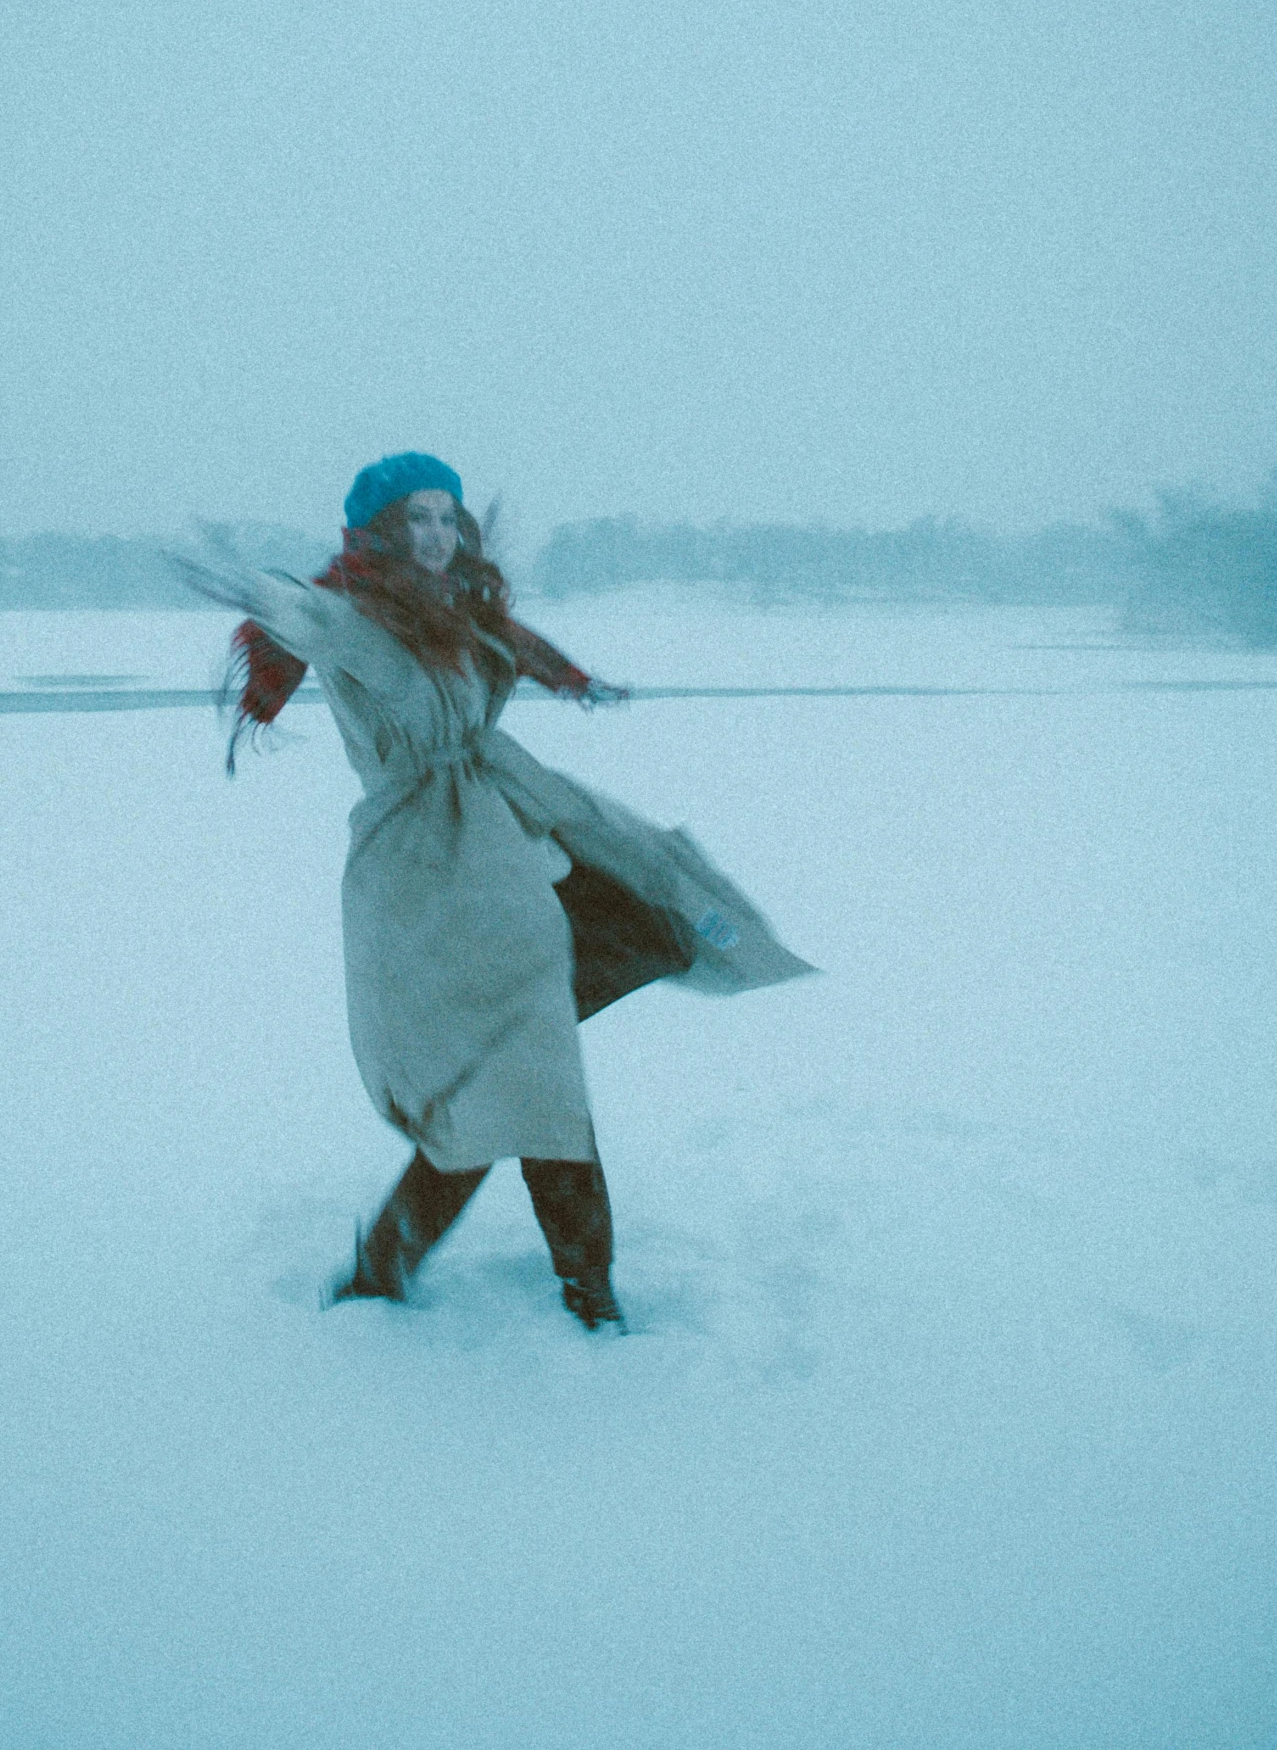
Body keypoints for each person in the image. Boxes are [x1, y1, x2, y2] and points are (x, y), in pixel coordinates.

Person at [192, 452, 814, 1332]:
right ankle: (567, 1293)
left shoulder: (460, 612)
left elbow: (507, 647)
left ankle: (398, 1266)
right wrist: (269, 596)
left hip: (495, 839)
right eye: (418, 518)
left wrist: (571, 677)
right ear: (378, 532)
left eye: (448, 516)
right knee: (517, 1080)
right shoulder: (364, 618)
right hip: (425, 864)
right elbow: (318, 622)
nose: (438, 533)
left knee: (526, 1056)